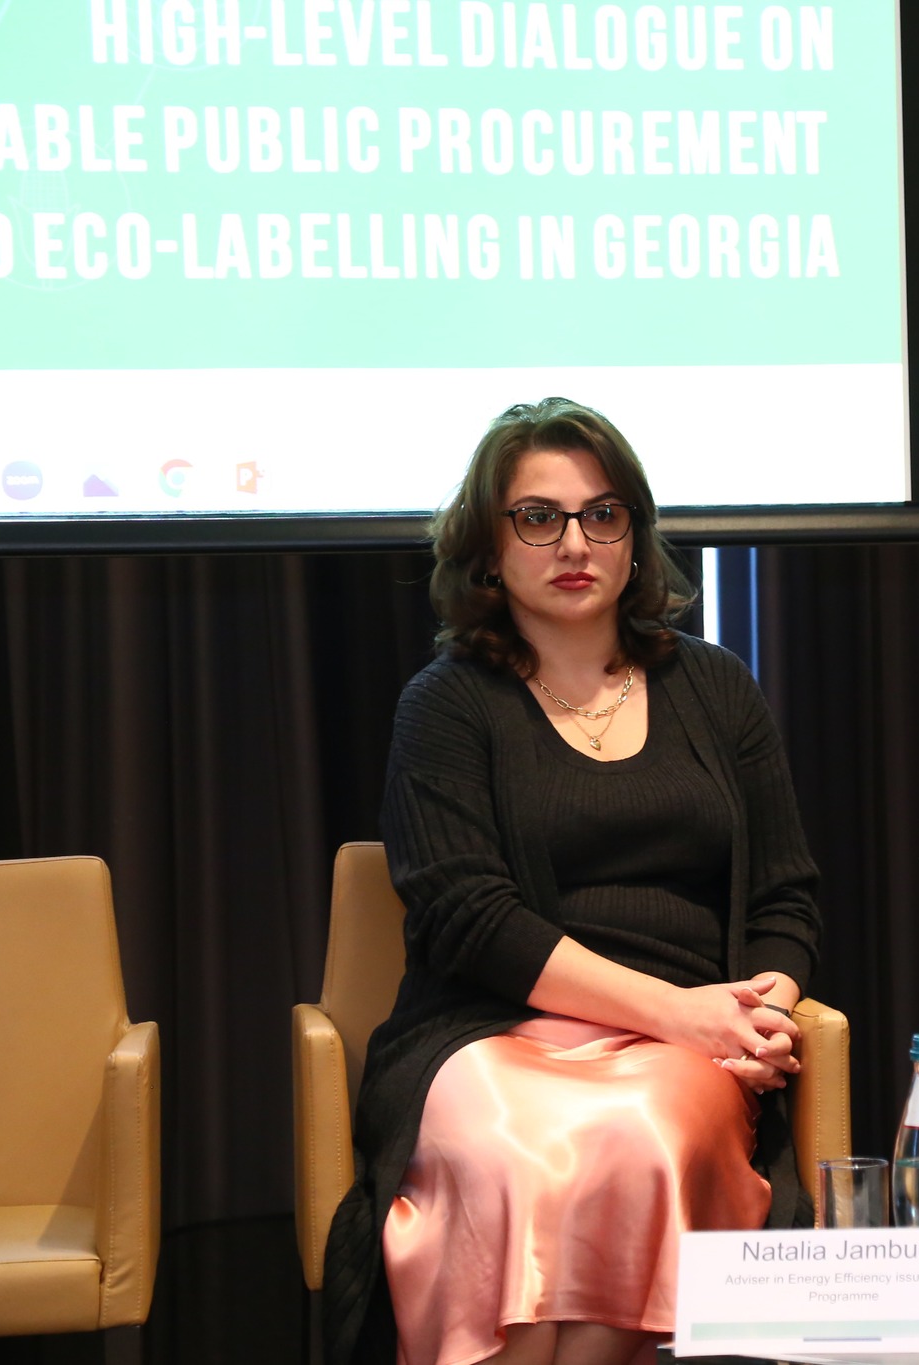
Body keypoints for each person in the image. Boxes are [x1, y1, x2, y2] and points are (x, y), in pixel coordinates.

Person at [322, 398, 821, 1365]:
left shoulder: (716, 686)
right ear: (487, 546)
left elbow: (784, 897)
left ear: (635, 536)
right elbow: (470, 920)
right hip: (488, 1033)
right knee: (514, 1152)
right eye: (538, 517)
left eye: (603, 514)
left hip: (682, 1052)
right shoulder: (444, 703)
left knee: (641, 1138)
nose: (575, 543)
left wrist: (759, 1012)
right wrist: (684, 1013)